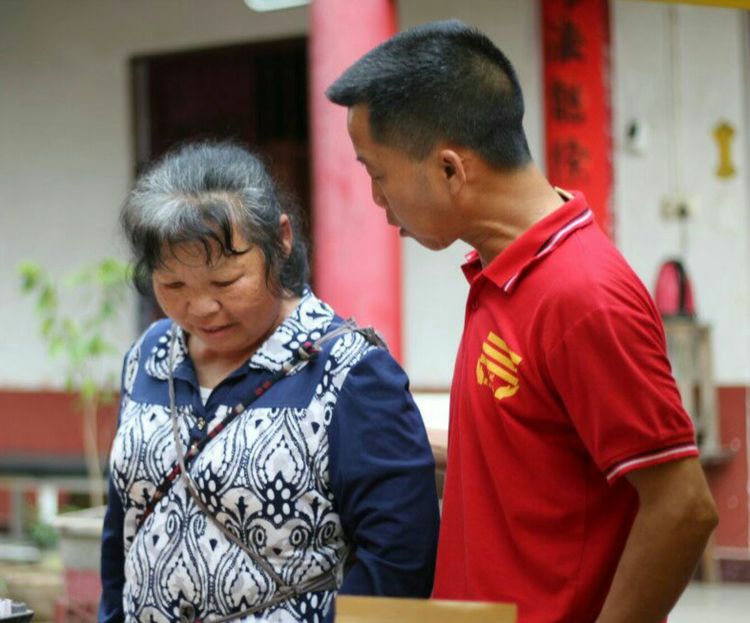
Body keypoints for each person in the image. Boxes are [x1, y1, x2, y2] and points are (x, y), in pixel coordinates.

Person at [326, 19, 718, 623]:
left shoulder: (581, 294)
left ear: (450, 169)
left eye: (378, 174)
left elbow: (684, 508)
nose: (377, 200)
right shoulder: (502, 273)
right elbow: (536, 464)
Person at [98, 141, 439, 623]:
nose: (201, 308)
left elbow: (399, 558)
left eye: (225, 282)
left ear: (280, 240)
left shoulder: (350, 371)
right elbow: (123, 529)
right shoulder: (149, 356)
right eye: (173, 285)